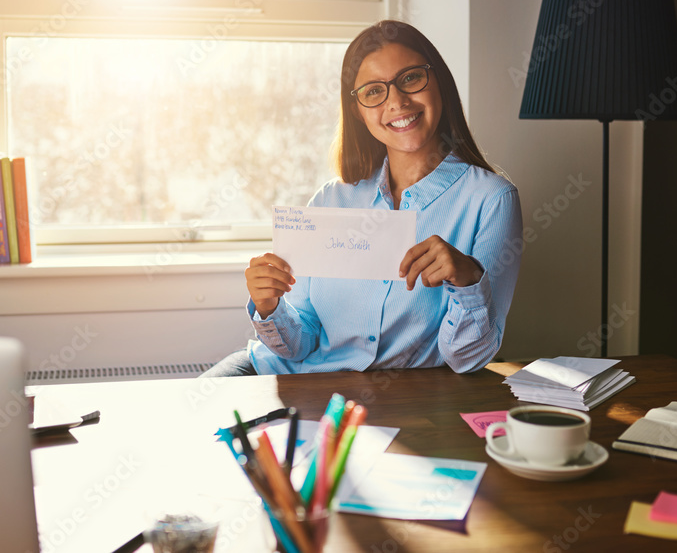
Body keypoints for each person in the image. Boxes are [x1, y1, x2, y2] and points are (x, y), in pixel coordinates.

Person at [201, 20, 522, 378]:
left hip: (390, 397)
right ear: (358, 110)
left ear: (439, 83)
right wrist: (268, 306)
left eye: (411, 78)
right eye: (373, 92)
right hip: (275, 374)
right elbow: (299, 344)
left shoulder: (492, 201)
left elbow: (466, 359)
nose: (397, 102)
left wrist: (468, 280)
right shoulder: (331, 199)